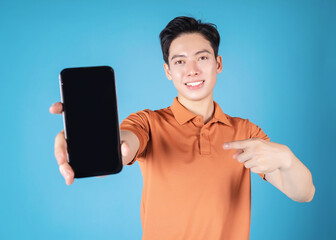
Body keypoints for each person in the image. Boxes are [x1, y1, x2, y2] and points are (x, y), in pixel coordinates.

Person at [50, 16, 315, 240]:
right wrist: (95, 141)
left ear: (218, 64)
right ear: (167, 71)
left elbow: (304, 193)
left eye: (202, 58)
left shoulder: (245, 132)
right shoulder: (148, 123)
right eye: (179, 62)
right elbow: (123, 147)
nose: (192, 70)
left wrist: (286, 159)